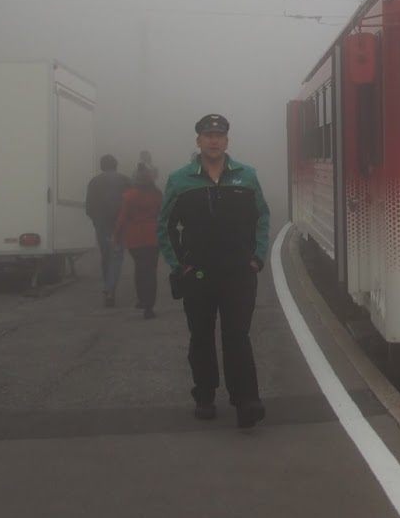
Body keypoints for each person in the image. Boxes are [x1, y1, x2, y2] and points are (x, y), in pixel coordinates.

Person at [158, 113, 271, 428]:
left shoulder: (246, 176)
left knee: (237, 335)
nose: (213, 140)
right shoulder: (180, 179)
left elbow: (262, 217)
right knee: (201, 336)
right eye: (208, 135)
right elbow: (165, 226)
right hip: (198, 273)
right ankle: (205, 395)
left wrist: (257, 256)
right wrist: (179, 264)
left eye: (219, 135)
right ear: (198, 141)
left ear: (226, 141)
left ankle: (246, 400)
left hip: (239, 272)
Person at [114, 164, 162, 319]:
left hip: (135, 238)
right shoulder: (157, 195)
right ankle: (149, 307)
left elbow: (122, 218)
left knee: (140, 269)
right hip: (153, 236)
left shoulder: (129, 195)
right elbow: (163, 214)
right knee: (151, 272)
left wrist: (116, 236)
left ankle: (142, 299)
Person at [84, 154, 130, 305]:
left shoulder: (94, 182)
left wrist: (96, 221)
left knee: (106, 256)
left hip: (102, 225)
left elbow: (89, 206)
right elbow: (131, 202)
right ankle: (110, 289)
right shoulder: (125, 180)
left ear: (101, 166)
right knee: (116, 256)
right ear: (116, 165)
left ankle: (108, 286)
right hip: (120, 224)